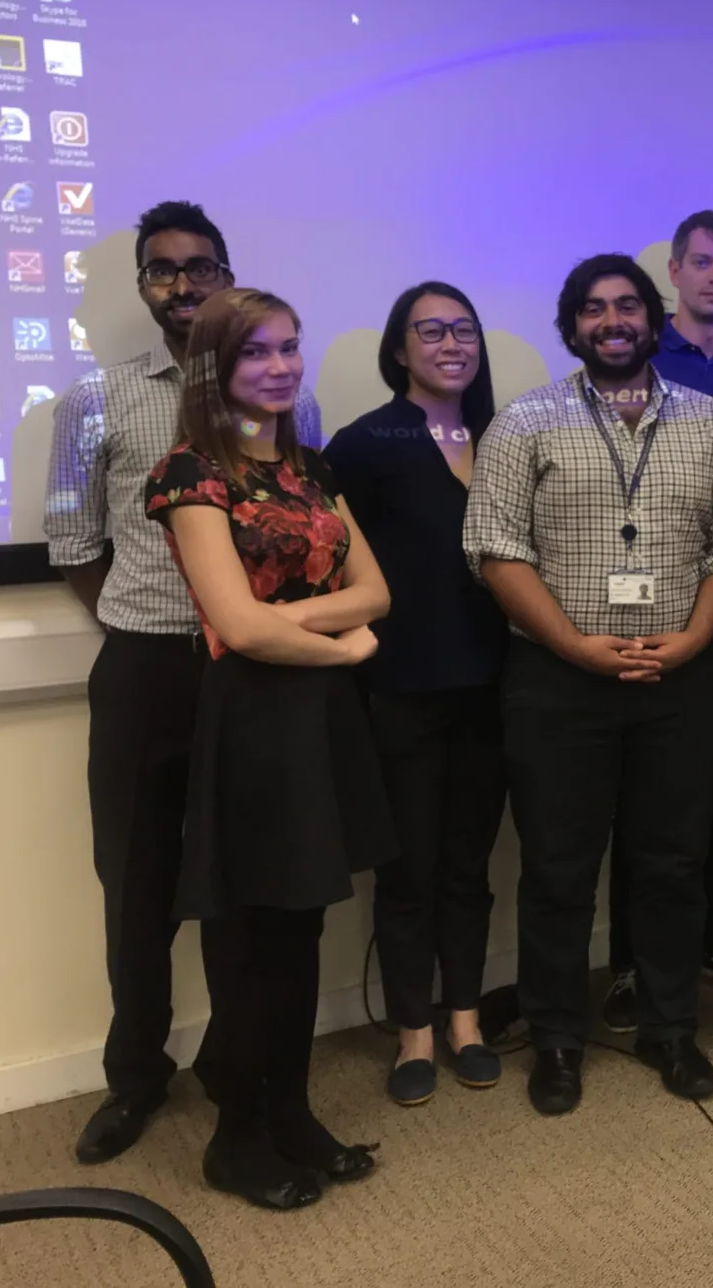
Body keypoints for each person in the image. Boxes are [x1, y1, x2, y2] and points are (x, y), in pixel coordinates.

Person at [44, 201, 322, 1165]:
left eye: (201, 266)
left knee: (244, 885)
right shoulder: (96, 401)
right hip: (147, 668)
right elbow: (74, 542)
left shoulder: (284, 400)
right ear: (142, 287)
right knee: (138, 885)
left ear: (227, 277)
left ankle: (230, 1066)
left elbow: (305, 533)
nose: (183, 283)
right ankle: (135, 1075)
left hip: (251, 673)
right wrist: (153, 618)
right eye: (162, 270)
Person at [465, 254, 713, 1117]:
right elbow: (494, 549)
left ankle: (670, 1025)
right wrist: (576, 645)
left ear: (653, 320)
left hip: (680, 679)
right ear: (572, 327)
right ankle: (557, 1035)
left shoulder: (711, 422)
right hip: (558, 681)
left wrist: (693, 639)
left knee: (673, 864)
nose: (613, 321)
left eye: (628, 306)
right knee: (558, 870)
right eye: (593, 309)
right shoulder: (523, 422)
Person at [145, 287, 394, 1210]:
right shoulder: (190, 474)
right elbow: (237, 628)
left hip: (316, 718)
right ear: (215, 366)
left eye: (290, 347)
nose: (281, 366)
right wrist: (340, 643)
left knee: (301, 926)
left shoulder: (309, 467)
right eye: (257, 351)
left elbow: (377, 592)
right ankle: (236, 1134)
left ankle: (289, 1111)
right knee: (248, 933)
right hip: (252, 719)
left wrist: (301, 627)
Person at [324, 283, 510, 1108]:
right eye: (430, 331)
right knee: (407, 873)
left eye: (463, 329)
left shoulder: (505, 437)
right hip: (399, 690)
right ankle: (414, 1034)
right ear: (399, 349)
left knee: (469, 866)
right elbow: (329, 561)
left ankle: (466, 1021)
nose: (450, 343)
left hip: (494, 688)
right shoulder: (366, 443)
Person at [599, 210, 713, 1035]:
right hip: (647, 610)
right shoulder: (639, 359)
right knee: (640, 803)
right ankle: (630, 963)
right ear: (673, 270)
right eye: (702, 261)